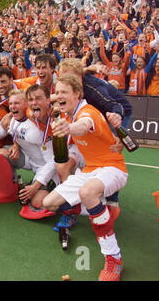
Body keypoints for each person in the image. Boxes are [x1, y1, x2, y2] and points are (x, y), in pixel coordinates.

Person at [43, 75, 128, 281]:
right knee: (49, 203)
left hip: (112, 167)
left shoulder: (86, 112)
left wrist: (69, 129)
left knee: (87, 193)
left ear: (77, 94)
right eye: (58, 91)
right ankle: (99, 212)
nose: (59, 96)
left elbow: (84, 125)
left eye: (64, 92)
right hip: (90, 170)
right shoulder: (67, 114)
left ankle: (113, 258)